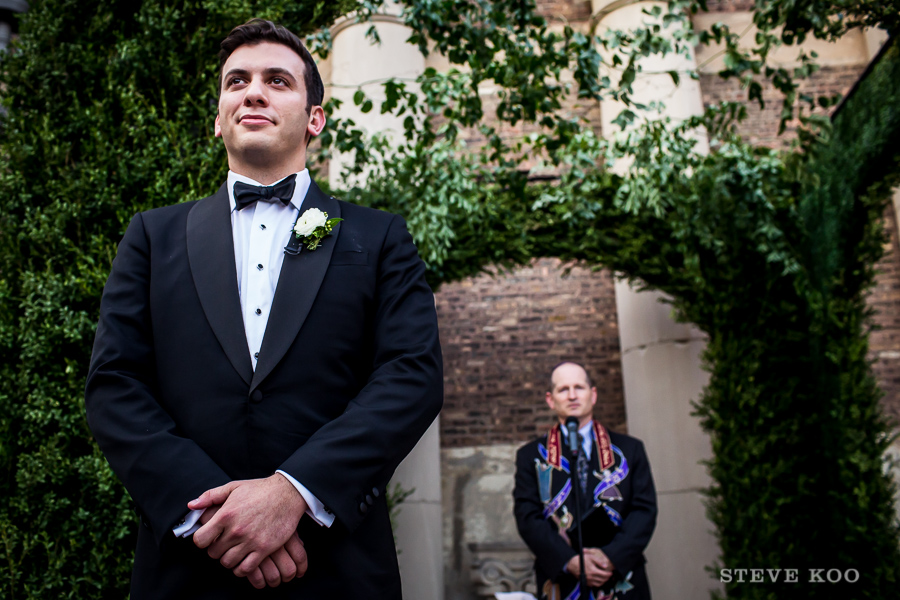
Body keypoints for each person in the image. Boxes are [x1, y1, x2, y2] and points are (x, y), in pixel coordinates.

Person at [84, 18, 442, 599]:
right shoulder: (151, 236)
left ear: (315, 118)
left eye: (277, 80)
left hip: (335, 566)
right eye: (236, 82)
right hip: (187, 566)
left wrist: (294, 492)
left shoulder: (379, 238)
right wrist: (212, 517)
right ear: (218, 118)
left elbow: (411, 375)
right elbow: (114, 383)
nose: (253, 91)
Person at [513, 362, 657, 600]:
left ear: (593, 394)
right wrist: (569, 561)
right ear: (550, 400)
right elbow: (527, 516)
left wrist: (610, 558)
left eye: (579, 387)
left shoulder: (630, 450)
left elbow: (644, 510)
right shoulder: (530, 456)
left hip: (620, 578)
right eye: (563, 389)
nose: (572, 395)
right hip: (562, 581)